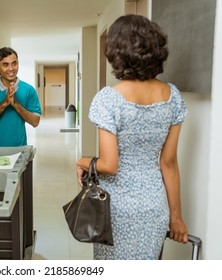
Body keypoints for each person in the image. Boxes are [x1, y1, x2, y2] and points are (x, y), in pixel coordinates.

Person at [76, 14, 188, 259]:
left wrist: (82, 161)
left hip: (116, 209)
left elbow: (109, 165)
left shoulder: (109, 99)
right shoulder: (173, 97)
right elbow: (168, 163)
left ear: (117, 51)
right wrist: (176, 217)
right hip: (154, 207)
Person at [0, 47, 41, 147]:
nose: (11, 68)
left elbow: (35, 122)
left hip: (19, 149)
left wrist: (15, 104)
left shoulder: (29, 90)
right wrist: (5, 103)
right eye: (5, 64)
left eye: (14, 63)